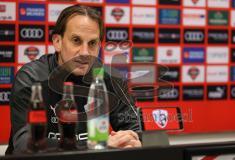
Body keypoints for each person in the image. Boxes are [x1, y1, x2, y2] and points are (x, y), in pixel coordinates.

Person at [6, 4, 141, 154]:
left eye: (92, 43)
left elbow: (135, 132)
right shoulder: (31, 78)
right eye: (76, 40)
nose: (85, 52)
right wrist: (93, 145)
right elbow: (25, 144)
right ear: (57, 42)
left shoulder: (110, 78)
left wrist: (129, 141)